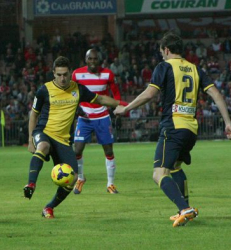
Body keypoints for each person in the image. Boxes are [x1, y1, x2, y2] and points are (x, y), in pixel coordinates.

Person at [114, 32, 231, 227]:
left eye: (162, 52)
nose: (162, 55)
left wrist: (126, 108)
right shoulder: (195, 69)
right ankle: (184, 210)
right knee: (175, 166)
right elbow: (216, 94)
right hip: (191, 129)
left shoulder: (165, 66)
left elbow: (150, 93)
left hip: (173, 127)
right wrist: (227, 121)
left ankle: (184, 208)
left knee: (159, 174)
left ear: (166, 50)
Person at [23, 56, 125, 218]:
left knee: (73, 178)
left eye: (65, 74)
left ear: (70, 73)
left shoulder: (78, 89)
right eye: (59, 75)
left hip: (63, 140)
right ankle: (31, 184)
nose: (62, 78)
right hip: (45, 132)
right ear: (53, 74)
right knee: (43, 146)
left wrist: (121, 105)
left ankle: (48, 208)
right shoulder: (44, 90)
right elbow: (33, 114)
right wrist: (30, 140)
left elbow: (100, 99)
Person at [71, 49, 121, 195]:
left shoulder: (108, 74)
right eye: (90, 59)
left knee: (109, 151)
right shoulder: (77, 74)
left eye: (95, 59)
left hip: (102, 116)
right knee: (77, 150)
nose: (93, 61)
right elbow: (72, 93)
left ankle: (110, 184)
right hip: (84, 117)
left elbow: (116, 93)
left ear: (100, 60)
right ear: (86, 60)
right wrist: (76, 109)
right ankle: (80, 178)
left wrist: (117, 109)